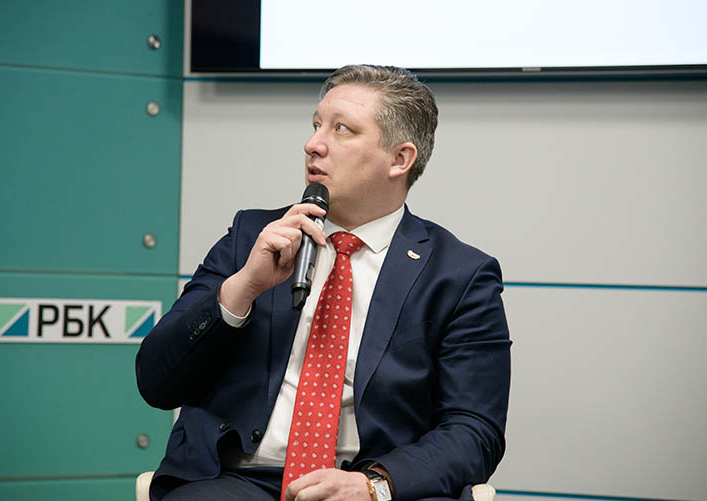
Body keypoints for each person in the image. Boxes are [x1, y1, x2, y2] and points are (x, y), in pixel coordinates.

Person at [136, 64, 511, 501]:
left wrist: (375, 486)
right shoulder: (251, 238)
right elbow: (156, 382)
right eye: (316, 125)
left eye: (342, 129)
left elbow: (474, 431)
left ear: (400, 159)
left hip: (369, 485)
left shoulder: (458, 275)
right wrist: (243, 288)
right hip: (239, 481)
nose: (313, 144)